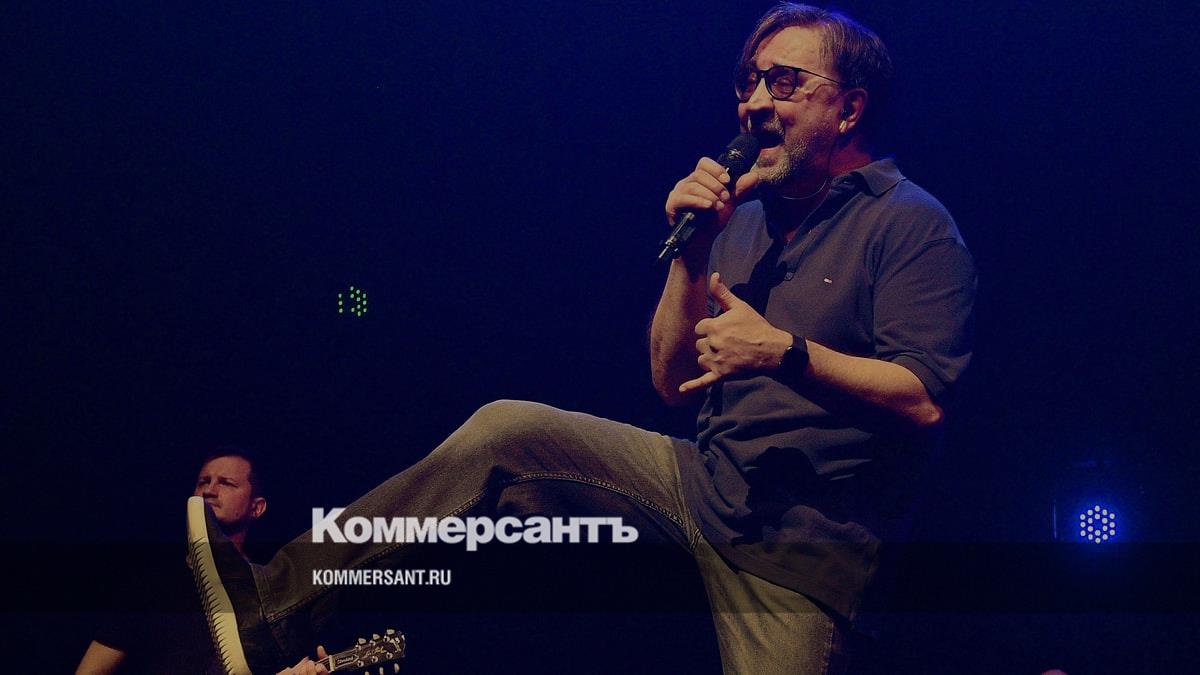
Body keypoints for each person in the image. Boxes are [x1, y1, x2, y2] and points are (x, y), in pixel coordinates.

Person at [188, 4, 975, 674]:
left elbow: (923, 402)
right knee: (506, 430)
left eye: (785, 82)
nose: (755, 103)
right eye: (748, 82)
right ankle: (276, 608)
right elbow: (670, 382)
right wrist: (694, 251)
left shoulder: (909, 222)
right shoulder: (743, 221)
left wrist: (782, 352)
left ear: (850, 108)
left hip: (805, 552)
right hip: (705, 487)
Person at [76, 449, 269, 674]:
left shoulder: (265, 592)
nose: (209, 491)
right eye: (203, 482)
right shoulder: (151, 584)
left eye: (226, 483)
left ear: (256, 508)